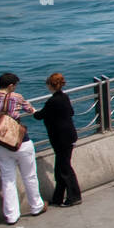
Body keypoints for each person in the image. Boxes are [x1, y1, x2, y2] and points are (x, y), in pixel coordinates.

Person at [0, 73, 46, 224]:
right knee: (29, 175)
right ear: (11, 85)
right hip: (20, 142)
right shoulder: (16, 97)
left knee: (7, 179)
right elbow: (30, 110)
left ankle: (12, 215)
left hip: (1, 143)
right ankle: (36, 206)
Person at [31, 72, 81, 207]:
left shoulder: (52, 101)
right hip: (69, 135)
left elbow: (39, 116)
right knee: (60, 168)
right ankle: (58, 197)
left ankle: (74, 197)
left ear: (50, 85)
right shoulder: (64, 97)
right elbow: (71, 112)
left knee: (64, 169)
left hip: (60, 139)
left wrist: (32, 110)